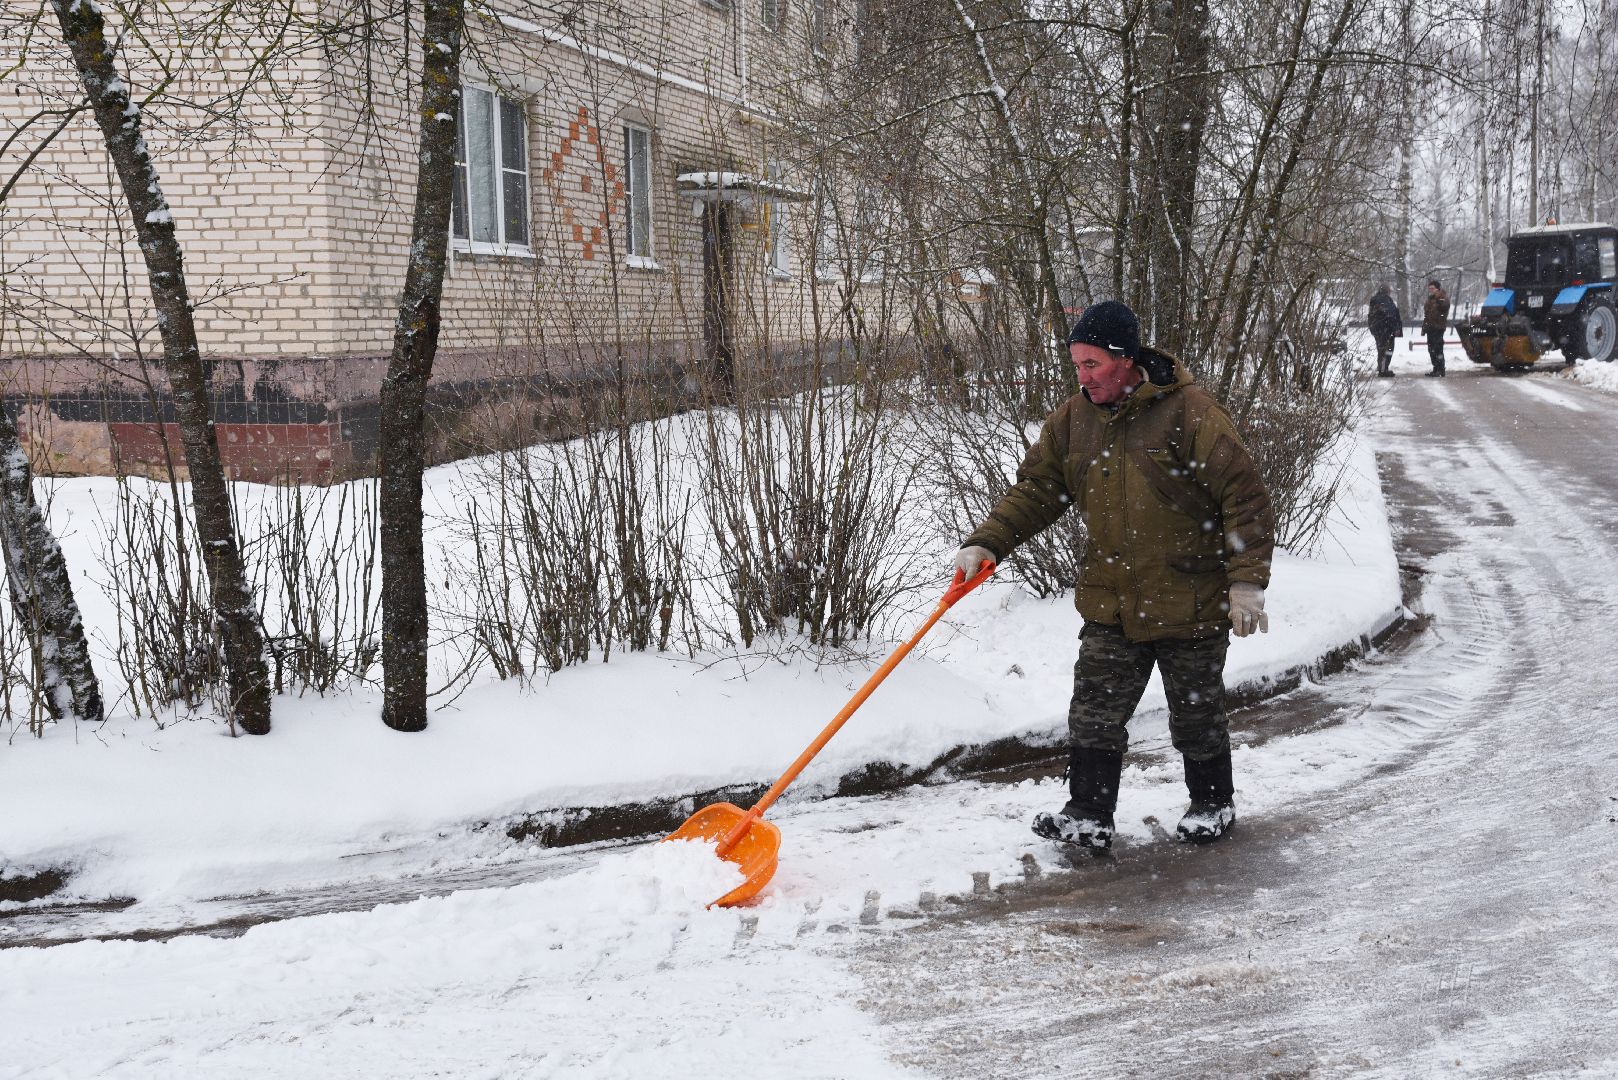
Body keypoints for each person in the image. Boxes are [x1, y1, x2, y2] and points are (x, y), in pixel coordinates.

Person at [953, 300, 1274, 850]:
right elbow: (1037, 489)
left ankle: (1212, 804)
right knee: (1094, 715)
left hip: (1188, 598)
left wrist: (1247, 581)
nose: (1083, 377)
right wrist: (988, 541)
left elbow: (1242, 498)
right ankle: (1088, 815)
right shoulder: (1074, 420)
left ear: (1126, 361)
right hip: (1113, 601)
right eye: (1076, 365)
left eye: (1092, 364)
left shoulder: (1190, 413)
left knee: (1195, 715)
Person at [1368, 283, 1402, 377]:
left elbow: (1371, 316)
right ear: (1387, 291)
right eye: (1389, 290)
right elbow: (1391, 315)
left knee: (1381, 349)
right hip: (1386, 329)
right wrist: (1396, 328)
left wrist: (1373, 328)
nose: (1390, 292)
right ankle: (1383, 370)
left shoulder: (1374, 299)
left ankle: (1382, 369)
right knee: (1386, 350)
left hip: (1378, 329)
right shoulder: (1385, 300)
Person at [1423, 280, 1450, 377]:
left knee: (1437, 348)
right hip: (1430, 327)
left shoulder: (1442, 297)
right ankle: (1436, 368)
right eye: (1429, 288)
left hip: (1438, 327)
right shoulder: (1430, 299)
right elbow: (1427, 314)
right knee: (1431, 349)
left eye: (1432, 288)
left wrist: (1439, 300)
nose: (1430, 290)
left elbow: (1444, 307)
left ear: (1437, 288)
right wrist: (1424, 327)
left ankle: (1441, 369)